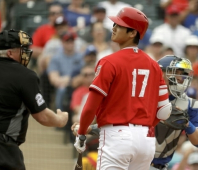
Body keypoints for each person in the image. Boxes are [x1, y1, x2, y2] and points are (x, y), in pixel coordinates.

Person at [73, 7, 172, 170]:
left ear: (133, 33)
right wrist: (143, 125)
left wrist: (82, 132)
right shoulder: (154, 65)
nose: (113, 28)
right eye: (114, 24)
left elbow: (91, 106)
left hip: (116, 138)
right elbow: (164, 111)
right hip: (146, 141)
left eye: (119, 25)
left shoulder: (109, 62)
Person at [72, 55, 198, 170]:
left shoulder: (190, 104)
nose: (180, 79)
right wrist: (90, 129)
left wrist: (187, 125)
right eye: (175, 73)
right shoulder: (141, 97)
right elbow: (120, 128)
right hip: (133, 162)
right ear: (160, 73)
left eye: (182, 75)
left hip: (160, 165)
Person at [0, 29, 68, 170]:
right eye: (21, 49)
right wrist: (60, 120)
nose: (26, 52)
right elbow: (42, 116)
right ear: (10, 53)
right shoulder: (25, 75)